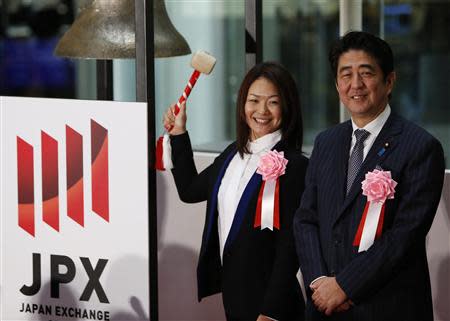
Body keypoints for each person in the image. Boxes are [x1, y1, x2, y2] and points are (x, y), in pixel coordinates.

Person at [293, 31, 445, 321]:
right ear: (337, 84)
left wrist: (344, 286)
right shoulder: (326, 142)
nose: (356, 85)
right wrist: (318, 285)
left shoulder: (421, 147)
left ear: (389, 81)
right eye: (346, 75)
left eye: (366, 74)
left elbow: (404, 237)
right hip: (325, 307)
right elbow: (305, 219)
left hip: (387, 307)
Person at [163, 62, 307, 321]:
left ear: (287, 107)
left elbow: (291, 245)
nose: (262, 111)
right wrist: (179, 133)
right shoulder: (233, 154)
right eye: (254, 100)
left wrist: (271, 311)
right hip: (234, 294)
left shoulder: (295, 165)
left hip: (273, 306)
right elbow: (189, 190)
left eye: (273, 102)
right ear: (242, 104)